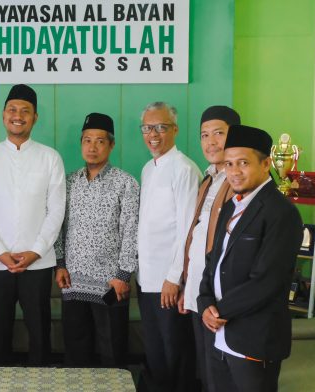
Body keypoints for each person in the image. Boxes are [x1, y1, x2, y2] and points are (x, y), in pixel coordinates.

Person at [198, 125, 303, 392]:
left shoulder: (281, 212)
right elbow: (213, 260)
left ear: (266, 163)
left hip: (254, 337)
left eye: (243, 163)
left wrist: (220, 310)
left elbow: (267, 281)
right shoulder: (232, 204)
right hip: (219, 334)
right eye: (229, 164)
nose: (234, 171)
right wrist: (205, 302)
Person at [0, 84, 66, 365]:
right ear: (3, 115)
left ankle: (41, 383)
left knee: (39, 332)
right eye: (12, 109)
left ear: (35, 117)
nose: (18, 115)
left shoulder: (50, 157)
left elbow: (56, 210)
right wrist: (0, 251)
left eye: (25, 111)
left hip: (37, 262)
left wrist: (35, 251)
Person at [54, 112, 140, 367]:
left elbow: (131, 231)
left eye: (100, 141)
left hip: (110, 283)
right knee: (76, 352)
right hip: (73, 280)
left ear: (111, 145)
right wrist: (60, 264)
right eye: (87, 140)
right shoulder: (69, 182)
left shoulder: (126, 183)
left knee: (111, 351)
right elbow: (59, 225)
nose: (92, 147)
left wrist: (123, 275)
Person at [136, 102, 202, 391]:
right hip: (146, 277)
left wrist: (174, 278)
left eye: (161, 127)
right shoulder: (148, 169)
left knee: (176, 352)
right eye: (148, 128)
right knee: (155, 351)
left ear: (174, 129)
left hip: (168, 280)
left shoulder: (184, 169)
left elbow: (188, 230)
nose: (153, 134)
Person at [178, 106, 241, 391]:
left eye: (219, 133)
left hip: (219, 301)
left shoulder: (239, 183)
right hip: (199, 295)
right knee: (205, 371)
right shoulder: (208, 179)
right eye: (205, 135)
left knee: (222, 376)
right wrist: (187, 287)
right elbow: (196, 238)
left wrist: (218, 302)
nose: (210, 142)